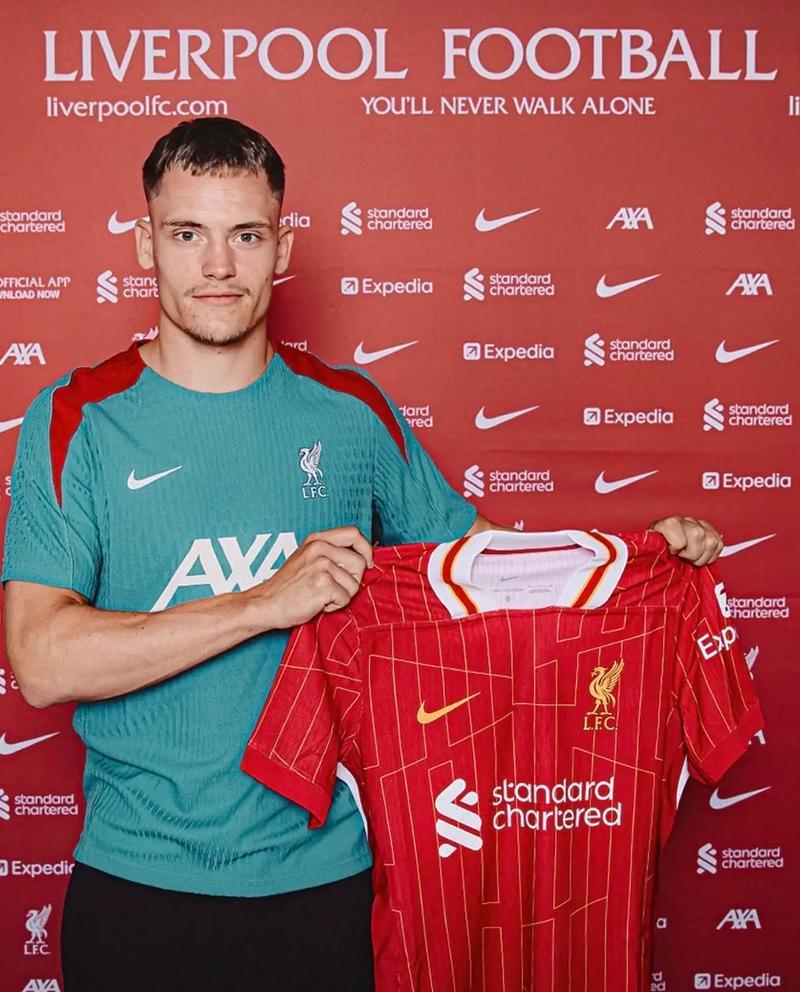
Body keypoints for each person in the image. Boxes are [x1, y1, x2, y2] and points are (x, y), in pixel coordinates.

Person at [2, 117, 722, 992]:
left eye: (246, 235)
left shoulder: (350, 413)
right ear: (146, 243)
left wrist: (639, 559)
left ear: (282, 248)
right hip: (140, 885)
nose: (219, 265)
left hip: (327, 884)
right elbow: (42, 660)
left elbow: (491, 573)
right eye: (188, 234)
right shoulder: (77, 419)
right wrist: (264, 603)